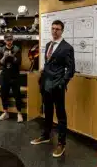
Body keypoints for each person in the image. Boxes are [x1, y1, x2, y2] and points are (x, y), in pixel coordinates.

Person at [30, 20, 75, 158]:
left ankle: (61, 143)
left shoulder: (67, 47)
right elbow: (49, 64)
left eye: (57, 29)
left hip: (57, 85)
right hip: (46, 84)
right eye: (53, 28)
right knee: (48, 111)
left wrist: (62, 83)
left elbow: (71, 69)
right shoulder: (49, 45)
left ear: (62, 31)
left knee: (61, 115)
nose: (54, 31)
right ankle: (46, 135)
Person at [0, 33, 23, 123]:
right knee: (4, 94)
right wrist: (4, 57)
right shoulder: (1, 50)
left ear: (12, 40)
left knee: (17, 95)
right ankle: (5, 113)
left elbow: (19, 62)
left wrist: (12, 56)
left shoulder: (17, 49)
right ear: (4, 41)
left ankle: (19, 113)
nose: (9, 42)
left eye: (10, 40)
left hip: (15, 75)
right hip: (5, 75)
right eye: (7, 40)